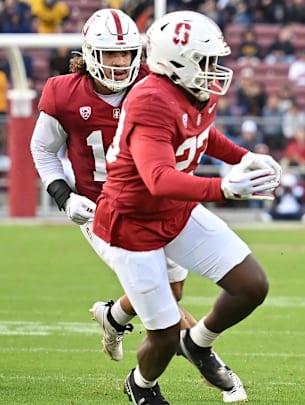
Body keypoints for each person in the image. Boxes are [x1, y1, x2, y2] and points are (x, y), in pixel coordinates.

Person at [29, 9, 253, 404]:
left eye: (126, 53)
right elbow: (42, 150)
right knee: (163, 313)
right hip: (104, 209)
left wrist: (240, 157)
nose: (119, 63)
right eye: (110, 55)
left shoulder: (155, 84)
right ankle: (195, 360)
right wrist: (64, 196)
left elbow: (197, 131)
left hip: (162, 201)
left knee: (174, 291)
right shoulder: (64, 92)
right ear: (90, 53)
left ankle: (114, 316)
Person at [89, 10, 282, 404]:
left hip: (177, 213)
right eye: (207, 61)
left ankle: (199, 343)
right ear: (178, 62)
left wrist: (246, 156)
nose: (215, 71)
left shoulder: (194, 89)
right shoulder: (151, 100)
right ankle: (140, 387)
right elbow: (157, 178)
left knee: (251, 286)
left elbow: (203, 134)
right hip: (134, 224)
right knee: (161, 337)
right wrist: (225, 188)